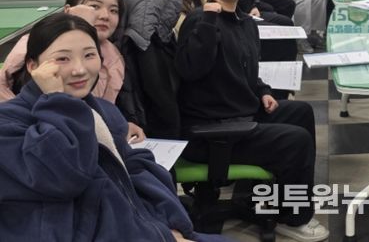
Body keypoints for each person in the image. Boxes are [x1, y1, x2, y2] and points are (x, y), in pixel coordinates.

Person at [0, 12, 229, 242]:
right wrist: (58, 102)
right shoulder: (8, 124)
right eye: (62, 59)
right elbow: (64, 178)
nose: (80, 69)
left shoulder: (101, 111)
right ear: (33, 66)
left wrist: (170, 224)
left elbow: (135, 170)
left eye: (89, 55)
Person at [175, 0, 329, 242]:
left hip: (239, 114)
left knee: (300, 112)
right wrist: (208, 19)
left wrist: (262, 92)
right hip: (212, 131)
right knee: (295, 141)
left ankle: (285, 192)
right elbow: (191, 70)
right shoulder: (200, 21)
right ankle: (293, 218)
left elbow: (246, 71)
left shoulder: (244, 22)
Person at [0, 0, 145, 143]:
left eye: (113, 10)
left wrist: (119, 126)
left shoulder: (113, 56)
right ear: (69, 10)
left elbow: (100, 110)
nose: (105, 15)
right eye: (94, 6)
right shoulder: (38, 45)